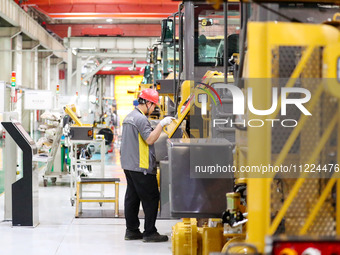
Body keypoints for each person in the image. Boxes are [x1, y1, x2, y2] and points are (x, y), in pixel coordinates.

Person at [120, 88, 174, 242]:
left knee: (132, 197)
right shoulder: (141, 119)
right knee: (151, 198)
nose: (154, 109)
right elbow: (150, 139)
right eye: (154, 105)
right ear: (148, 103)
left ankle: (131, 231)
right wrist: (162, 124)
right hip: (141, 166)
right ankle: (150, 232)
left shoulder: (129, 117)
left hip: (129, 165)